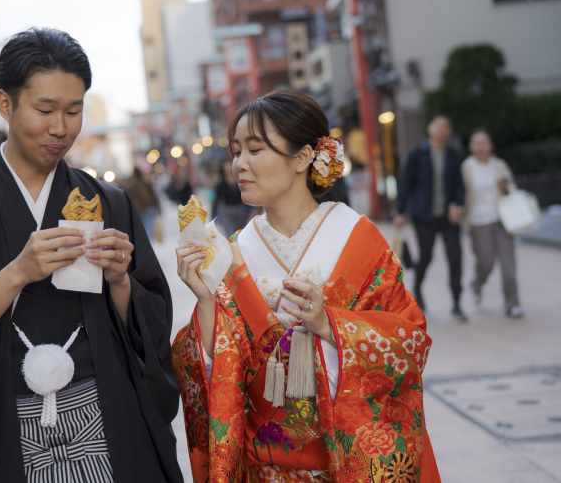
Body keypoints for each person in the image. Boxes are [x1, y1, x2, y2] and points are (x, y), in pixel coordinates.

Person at [0, 28, 182, 483]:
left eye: (74, 111)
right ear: (5, 104)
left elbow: (152, 322)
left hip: (104, 411)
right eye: (45, 109)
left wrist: (122, 284)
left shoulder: (109, 203)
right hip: (5, 422)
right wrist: (16, 273)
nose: (61, 128)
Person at [173, 90, 440, 482]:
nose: (239, 165)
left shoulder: (359, 240)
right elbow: (210, 373)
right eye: (236, 152)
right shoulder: (233, 255)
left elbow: (410, 341)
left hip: (347, 462)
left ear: (301, 157)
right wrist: (207, 302)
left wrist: (330, 324)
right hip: (266, 466)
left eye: (255, 149)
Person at [395, 115, 466, 321]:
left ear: (449, 132)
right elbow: (406, 183)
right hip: (423, 215)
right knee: (426, 256)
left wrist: (458, 205)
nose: (442, 130)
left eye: (446, 127)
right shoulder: (417, 154)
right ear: (430, 129)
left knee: (456, 257)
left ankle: (457, 303)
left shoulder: (453, 154)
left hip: (448, 216)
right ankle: (418, 286)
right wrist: (400, 211)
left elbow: (459, 185)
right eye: (439, 126)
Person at [461, 130, 522, 318]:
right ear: (471, 146)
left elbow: (512, 188)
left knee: (508, 266)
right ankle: (477, 284)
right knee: (485, 263)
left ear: (490, 145)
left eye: (484, 142)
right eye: (476, 143)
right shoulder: (466, 167)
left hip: (502, 221)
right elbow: (459, 192)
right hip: (478, 222)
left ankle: (512, 304)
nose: (481, 146)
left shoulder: (499, 165)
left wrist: (505, 187)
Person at [212, 160, 251, 237]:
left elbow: (247, 194)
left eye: (229, 166)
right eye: (226, 166)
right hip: (227, 211)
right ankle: (233, 248)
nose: (228, 168)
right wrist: (214, 215)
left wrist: (251, 210)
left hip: (240, 210)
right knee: (231, 234)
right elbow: (217, 200)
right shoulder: (220, 184)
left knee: (242, 233)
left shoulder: (240, 180)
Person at [124, 166, 161, 239]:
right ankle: (148, 244)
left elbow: (127, 200)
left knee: (142, 228)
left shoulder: (130, 186)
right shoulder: (146, 183)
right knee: (148, 227)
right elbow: (153, 196)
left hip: (138, 210)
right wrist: (158, 208)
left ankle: (146, 243)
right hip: (148, 207)